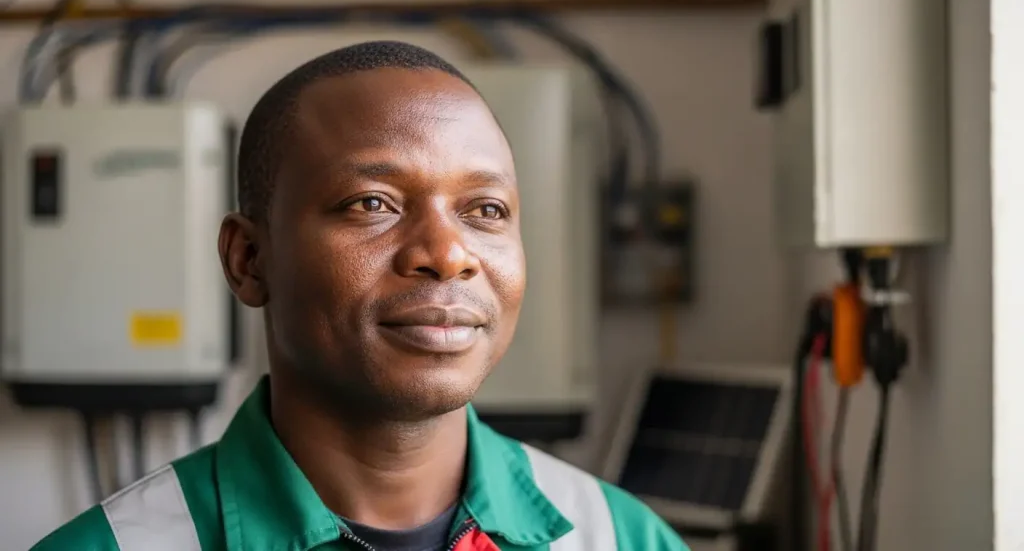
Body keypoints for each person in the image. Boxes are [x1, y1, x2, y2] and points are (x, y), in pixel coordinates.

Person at [31, 40, 689, 551]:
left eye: (485, 210)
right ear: (249, 259)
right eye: (372, 203)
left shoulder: (619, 537)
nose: (448, 253)